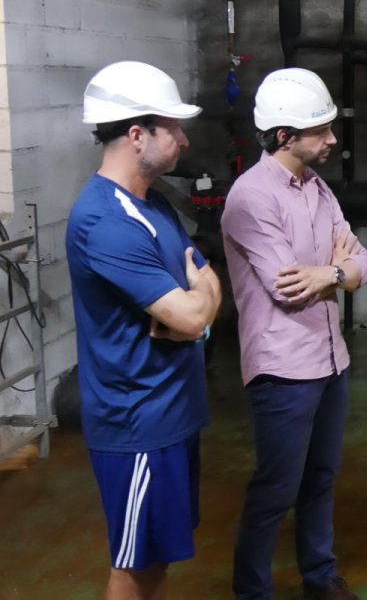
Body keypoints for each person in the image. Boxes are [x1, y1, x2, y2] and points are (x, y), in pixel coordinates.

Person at [67, 61, 221, 600]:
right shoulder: (104, 222)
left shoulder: (153, 204)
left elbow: (204, 280)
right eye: (172, 128)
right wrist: (195, 305)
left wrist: (195, 299)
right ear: (137, 135)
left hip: (171, 413)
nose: (182, 139)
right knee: (132, 565)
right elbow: (197, 313)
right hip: (137, 422)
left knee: (157, 558)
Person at [222, 68, 367, 600]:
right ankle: (252, 592)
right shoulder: (251, 197)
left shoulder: (318, 187)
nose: (332, 140)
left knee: (321, 478)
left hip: (330, 359)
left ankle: (319, 576)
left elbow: (360, 259)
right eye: (321, 131)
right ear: (285, 136)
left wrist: (332, 272)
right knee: (275, 490)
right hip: (283, 369)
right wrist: (337, 270)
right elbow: (287, 288)